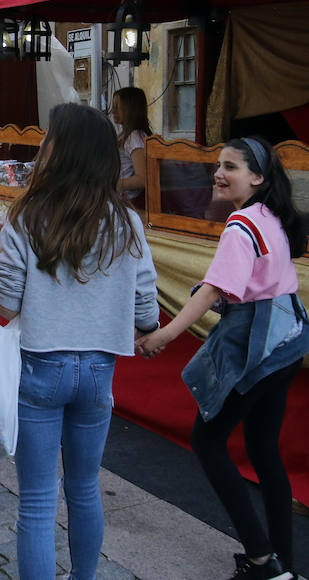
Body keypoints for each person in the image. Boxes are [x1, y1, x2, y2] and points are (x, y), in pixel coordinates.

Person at [0, 103, 159, 580]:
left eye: (48, 139)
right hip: (99, 372)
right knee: (84, 488)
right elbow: (146, 307)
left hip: (41, 369)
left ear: (59, 152)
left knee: (39, 502)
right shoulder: (127, 222)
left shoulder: (24, 217)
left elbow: (7, 307)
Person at [139, 137, 309, 580]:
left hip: (257, 346)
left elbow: (216, 290)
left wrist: (166, 333)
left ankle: (260, 559)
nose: (219, 172)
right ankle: (283, 562)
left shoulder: (241, 223)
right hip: (287, 342)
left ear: (257, 177)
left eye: (230, 166)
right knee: (263, 449)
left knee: (208, 441)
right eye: (218, 164)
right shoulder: (270, 216)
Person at [111, 86, 151, 204]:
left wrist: (112, 183)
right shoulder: (126, 136)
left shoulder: (135, 137)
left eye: (118, 107)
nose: (114, 111)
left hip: (132, 202)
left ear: (130, 109)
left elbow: (143, 179)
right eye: (113, 107)